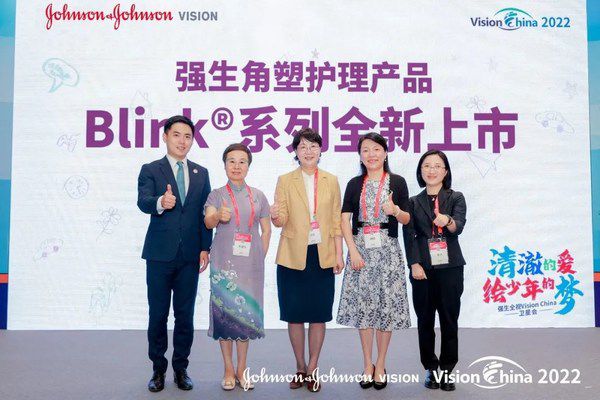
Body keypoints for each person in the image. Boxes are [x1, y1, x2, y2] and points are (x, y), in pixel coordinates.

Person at [137, 115, 212, 392]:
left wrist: (205, 247)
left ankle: (181, 369)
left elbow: (205, 213)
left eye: (188, 136)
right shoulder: (151, 170)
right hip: (159, 255)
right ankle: (158, 369)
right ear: (165, 136)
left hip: (189, 257)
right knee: (158, 314)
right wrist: (161, 201)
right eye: (177, 135)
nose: (182, 141)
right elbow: (143, 201)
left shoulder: (201, 173)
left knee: (185, 315)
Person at [270, 128, 344, 393]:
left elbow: (335, 221)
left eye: (313, 146)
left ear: (320, 150)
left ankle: (313, 367)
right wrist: (275, 216)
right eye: (303, 147)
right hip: (293, 256)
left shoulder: (331, 180)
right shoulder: (285, 180)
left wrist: (339, 254)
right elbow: (281, 219)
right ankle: (300, 366)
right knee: (294, 315)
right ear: (296, 151)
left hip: (321, 255)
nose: (308, 151)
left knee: (318, 314)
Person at [336, 132, 412, 390]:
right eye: (366, 150)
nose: (371, 154)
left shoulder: (398, 182)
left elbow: (407, 219)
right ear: (360, 156)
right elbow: (344, 220)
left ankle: (381, 363)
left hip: (388, 250)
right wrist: (352, 251)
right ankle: (367, 363)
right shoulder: (354, 183)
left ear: (385, 153)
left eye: (376, 149)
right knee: (365, 309)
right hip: (361, 251)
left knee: (385, 308)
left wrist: (395, 211)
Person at [203, 143, 271, 391]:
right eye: (231, 161)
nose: (236, 166)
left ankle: (242, 369)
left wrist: (260, 256)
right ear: (224, 165)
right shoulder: (216, 195)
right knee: (225, 315)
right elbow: (208, 222)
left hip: (251, 265)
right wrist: (216, 216)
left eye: (242, 161)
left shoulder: (258, 196)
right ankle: (228, 369)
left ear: (248, 166)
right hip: (223, 263)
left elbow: (266, 230)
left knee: (244, 316)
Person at [403, 149, 467, 392]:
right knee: (425, 320)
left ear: (445, 171)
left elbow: (458, 226)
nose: (432, 170)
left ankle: (448, 370)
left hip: (450, 268)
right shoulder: (412, 202)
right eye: (427, 166)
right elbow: (409, 234)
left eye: (437, 166)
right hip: (423, 269)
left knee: (449, 319)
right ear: (420, 171)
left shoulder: (456, 197)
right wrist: (414, 263)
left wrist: (447, 221)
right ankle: (431, 367)